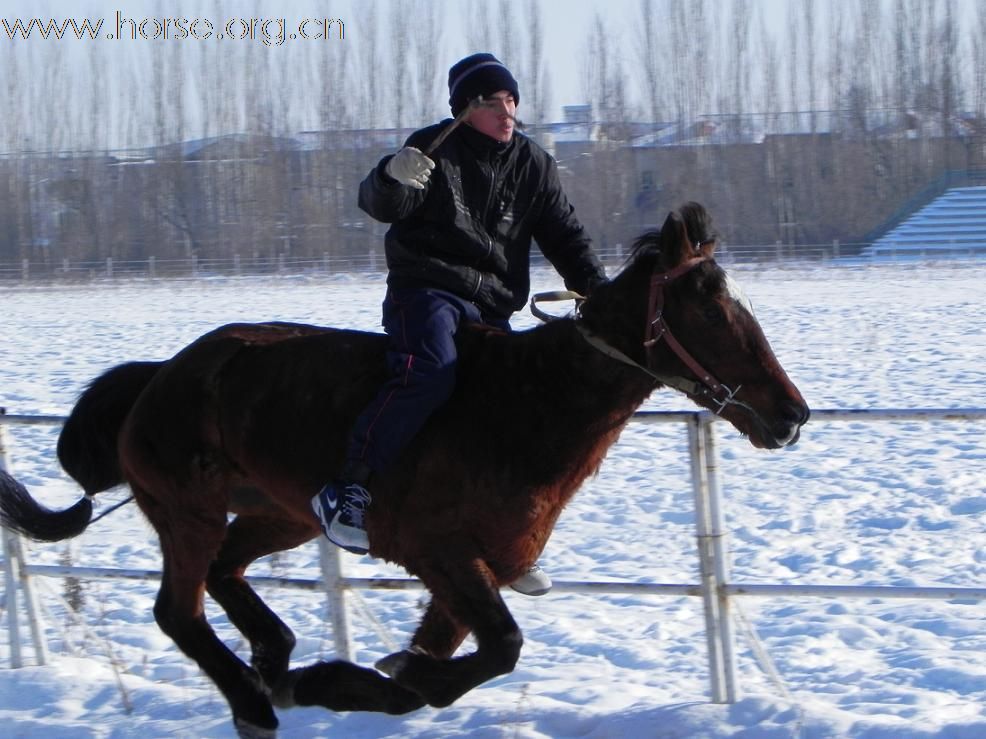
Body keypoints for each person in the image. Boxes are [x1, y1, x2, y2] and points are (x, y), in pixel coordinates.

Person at [311, 53, 606, 597]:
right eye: (492, 103)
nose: (506, 112)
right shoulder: (432, 148)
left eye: (511, 101)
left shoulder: (532, 164)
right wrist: (388, 176)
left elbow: (564, 234)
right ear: (465, 110)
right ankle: (347, 488)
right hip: (427, 292)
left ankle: (507, 546)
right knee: (430, 371)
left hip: (493, 308)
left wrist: (601, 295)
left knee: (513, 407)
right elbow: (382, 201)